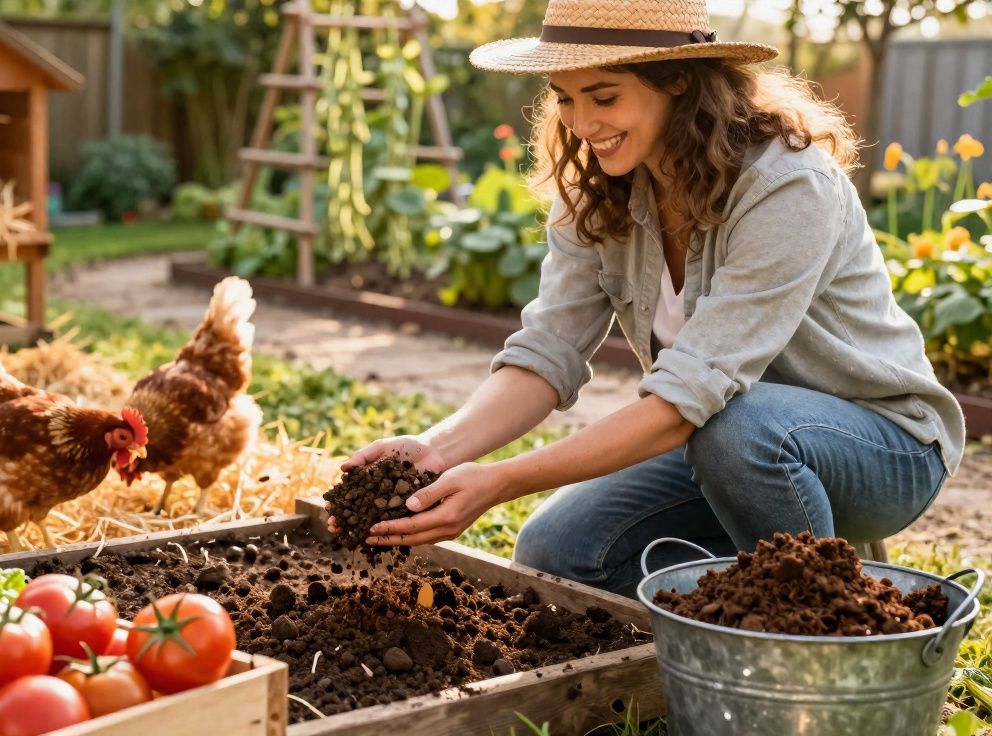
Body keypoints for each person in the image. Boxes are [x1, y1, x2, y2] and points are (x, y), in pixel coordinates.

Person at [335, 0, 964, 597]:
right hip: (725, 441)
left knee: (739, 429)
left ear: (679, 83)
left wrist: (500, 481)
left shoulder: (787, 185)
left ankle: (820, 615)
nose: (582, 125)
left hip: (883, 446)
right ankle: (757, 593)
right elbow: (547, 350)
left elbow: (687, 398)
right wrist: (438, 451)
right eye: (567, 100)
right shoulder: (600, 183)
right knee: (558, 550)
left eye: (604, 97)